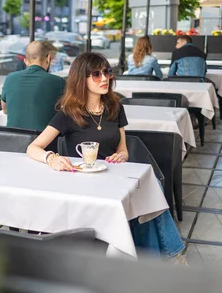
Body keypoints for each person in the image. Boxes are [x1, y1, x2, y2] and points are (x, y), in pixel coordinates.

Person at [26, 52, 186, 261]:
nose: (104, 78)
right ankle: (166, 259)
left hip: (113, 177)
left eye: (107, 72)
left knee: (149, 188)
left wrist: (121, 156)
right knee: (145, 196)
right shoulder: (69, 113)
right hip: (85, 184)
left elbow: (123, 149)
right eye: (96, 74)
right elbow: (33, 147)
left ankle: (157, 260)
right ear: (81, 79)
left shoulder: (114, 107)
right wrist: (51, 158)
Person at [1, 40, 65, 131]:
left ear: (26, 61)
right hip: (43, 142)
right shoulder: (58, 81)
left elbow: (5, 110)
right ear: (48, 58)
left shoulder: (10, 78)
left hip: (13, 140)